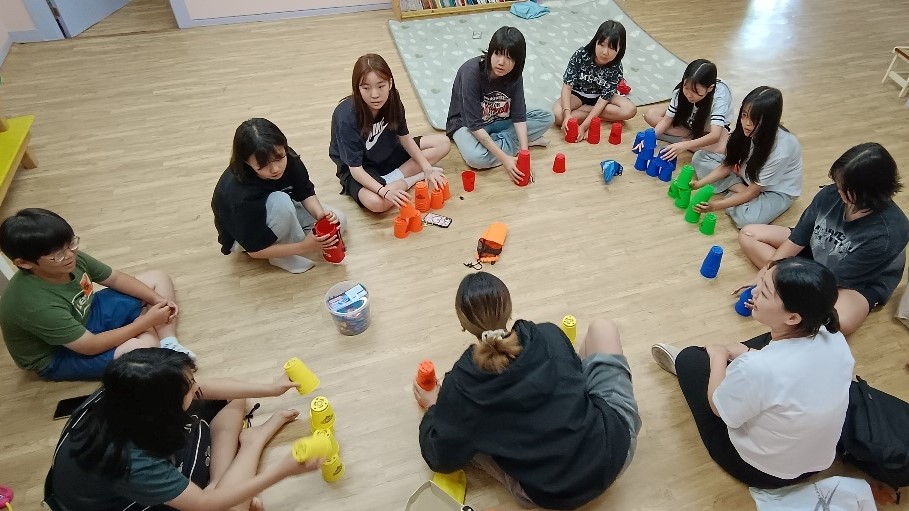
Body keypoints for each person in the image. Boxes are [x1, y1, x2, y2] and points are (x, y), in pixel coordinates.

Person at [414, 272, 641, 510]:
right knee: (603, 328)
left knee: (469, 438)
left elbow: (440, 457)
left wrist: (434, 406)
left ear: (463, 324)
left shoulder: (461, 386)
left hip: (553, 494)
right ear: (509, 309)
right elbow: (576, 373)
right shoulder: (548, 335)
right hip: (614, 453)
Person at [651, 258, 855, 489]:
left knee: (690, 360)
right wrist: (747, 353)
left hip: (765, 471)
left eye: (764, 293)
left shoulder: (759, 368)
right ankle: (736, 372)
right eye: (761, 282)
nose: (754, 292)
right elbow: (788, 374)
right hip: (816, 461)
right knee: (762, 344)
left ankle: (708, 367)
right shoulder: (833, 336)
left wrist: (719, 355)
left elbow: (718, 409)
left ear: (792, 317)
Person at [45, 348, 323, 511]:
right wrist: (282, 470)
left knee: (235, 396)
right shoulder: (133, 463)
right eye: (189, 387)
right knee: (229, 506)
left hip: (130, 464)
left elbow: (205, 388)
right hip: (118, 505)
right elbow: (204, 505)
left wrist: (271, 389)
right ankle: (252, 443)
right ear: (163, 408)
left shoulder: (124, 390)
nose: (197, 387)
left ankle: (222, 479)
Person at [0, 208, 193, 381]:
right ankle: (146, 326)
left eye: (71, 244)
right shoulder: (36, 305)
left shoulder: (69, 258)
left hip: (87, 313)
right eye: (57, 254)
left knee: (157, 279)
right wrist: (146, 322)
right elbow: (90, 346)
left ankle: (169, 343)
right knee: (144, 347)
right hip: (58, 354)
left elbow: (115, 279)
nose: (69, 255)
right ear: (24, 263)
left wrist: (156, 300)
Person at [738, 142, 909, 336]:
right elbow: (797, 238)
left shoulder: (889, 233)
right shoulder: (831, 194)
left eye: (845, 187)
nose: (838, 189)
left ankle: (788, 291)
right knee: (749, 235)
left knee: (839, 324)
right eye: (838, 183)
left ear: (869, 191)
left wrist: (775, 296)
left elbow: (830, 281)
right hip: (818, 249)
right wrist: (765, 275)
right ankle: (786, 287)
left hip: (852, 283)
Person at [213, 118, 346, 274]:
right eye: (262, 165)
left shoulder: (287, 157)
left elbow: (305, 191)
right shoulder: (239, 197)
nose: (275, 169)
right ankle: (281, 256)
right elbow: (254, 251)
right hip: (246, 232)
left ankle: (290, 242)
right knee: (281, 203)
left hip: (280, 209)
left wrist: (320, 215)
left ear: (284, 147)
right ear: (246, 162)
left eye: (279, 158)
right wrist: (304, 247)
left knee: (339, 219)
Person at [330, 53, 450, 213]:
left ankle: (392, 179)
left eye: (381, 86)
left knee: (443, 143)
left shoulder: (393, 99)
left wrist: (427, 169)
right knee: (376, 203)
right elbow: (355, 169)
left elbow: (405, 138)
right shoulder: (346, 116)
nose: (375, 95)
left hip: (391, 152)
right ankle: (412, 178)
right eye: (366, 88)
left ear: (390, 83)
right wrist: (384, 192)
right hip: (363, 168)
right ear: (357, 88)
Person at [446, 26, 555, 183]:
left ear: (518, 61)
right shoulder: (471, 72)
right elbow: (475, 126)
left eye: (509, 58)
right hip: (466, 124)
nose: (501, 62)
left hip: (499, 118)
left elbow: (519, 116)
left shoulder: (514, 75)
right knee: (476, 158)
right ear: (491, 52)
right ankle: (518, 142)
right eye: (497, 54)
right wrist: (505, 159)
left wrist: (524, 154)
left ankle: (503, 143)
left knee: (547, 117)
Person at [688, 86, 802, 228]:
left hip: (773, 190)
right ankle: (739, 191)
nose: (747, 123)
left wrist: (715, 205)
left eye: (755, 119)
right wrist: (699, 184)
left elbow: (753, 191)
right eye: (744, 115)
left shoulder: (780, 151)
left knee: (747, 220)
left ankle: (735, 193)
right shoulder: (745, 130)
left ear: (769, 121)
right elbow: (728, 164)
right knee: (700, 157)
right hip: (749, 178)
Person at [551, 20, 636, 140]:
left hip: (601, 99)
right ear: (595, 41)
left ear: (620, 49)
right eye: (602, 45)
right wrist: (567, 114)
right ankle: (602, 116)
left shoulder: (617, 68)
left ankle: (589, 114)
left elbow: (602, 101)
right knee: (558, 116)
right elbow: (567, 86)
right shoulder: (581, 55)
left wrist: (584, 126)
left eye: (612, 48)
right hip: (577, 95)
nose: (605, 52)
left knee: (630, 110)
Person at [641, 59, 732, 160]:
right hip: (689, 123)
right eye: (686, 88)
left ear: (710, 88)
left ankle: (681, 140)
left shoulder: (720, 97)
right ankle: (689, 139)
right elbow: (666, 121)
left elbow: (715, 135)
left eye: (695, 91)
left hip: (707, 127)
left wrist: (685, 145)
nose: (689, 95)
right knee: (650, 115)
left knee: (723, 148)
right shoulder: (679, 91)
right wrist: (650, 138)